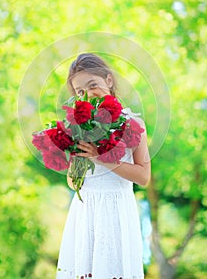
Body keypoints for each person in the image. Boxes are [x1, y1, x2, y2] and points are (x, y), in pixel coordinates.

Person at [56, 53, 151, 279]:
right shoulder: (80, 126)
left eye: (92, 85)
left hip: (116, 209)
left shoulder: (133, 123)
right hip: (86, 209)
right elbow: (72, 183)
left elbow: (143, 176)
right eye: (80, 91)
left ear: (108, 80)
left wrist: (101, 157)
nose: (87, 95)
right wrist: (77, 156)